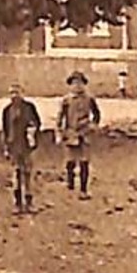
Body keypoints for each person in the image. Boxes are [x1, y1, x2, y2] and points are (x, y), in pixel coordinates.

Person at [57, 71, 103, 199]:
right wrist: (60, 132)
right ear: (70, 86)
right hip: (71, 133)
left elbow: (97, 113)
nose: (77, 86)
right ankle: (70, 180)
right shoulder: (66, 100)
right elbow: (60, 117)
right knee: (70, 161)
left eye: (80, 83)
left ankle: (84, 189)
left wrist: (94, 125)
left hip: (85, 133)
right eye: (74, 84)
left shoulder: (89, 98)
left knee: (84, 162)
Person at [0, 82, 43, 214]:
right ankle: (17, 203)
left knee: (28, 173)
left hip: (26, 145)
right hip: (14, 146)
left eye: (17, 92)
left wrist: (32, 134)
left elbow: (37, 123)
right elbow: (5, 129)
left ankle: (29, 202)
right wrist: (6, 147)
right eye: (11, 93)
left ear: (22, 93)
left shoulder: (29, 107)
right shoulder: (7, 110)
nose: (14, 96)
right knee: (16, 174)